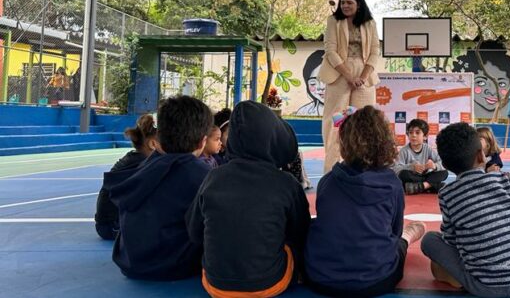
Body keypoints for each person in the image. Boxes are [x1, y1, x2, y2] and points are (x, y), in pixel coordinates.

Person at [187, 101, 311, 297]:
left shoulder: (213, 177)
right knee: (292, 245)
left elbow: (195, 231)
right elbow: (301, 231)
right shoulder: (286, 183)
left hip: (216, 285)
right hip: (270, 283)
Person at [304, 106, 426, 297]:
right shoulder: (392, 184)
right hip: (377, 279)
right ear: (384, 142)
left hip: (321, 277)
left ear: (344, 142)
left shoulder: (328, 181)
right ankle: (409, 238)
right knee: (398, 242)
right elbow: (394, 232)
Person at [422, 123, 510, 298]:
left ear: (445, 164)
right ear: (481, 155)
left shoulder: (447, 194)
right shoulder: (502, 180)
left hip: (483, 288)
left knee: (429, 240)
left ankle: (457, 277)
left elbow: (451, 241)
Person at [104, 96, 212, 280]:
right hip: (176, 267)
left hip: (131, 262)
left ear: (159, 138)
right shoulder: (203, 175)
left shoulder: (144, 168)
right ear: (203, 142)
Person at [319, 0, 381, 173]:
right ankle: (330, 170)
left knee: (364, 121)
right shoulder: (334, 21)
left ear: (358, 4)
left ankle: (364, 167)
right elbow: (330, 50)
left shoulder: (370, 23)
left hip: (365, 77)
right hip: (339, 76)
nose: (345, 5)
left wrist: (362, 77)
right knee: (336, 121)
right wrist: (349, 76)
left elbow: (374, 52)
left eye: (349, 2)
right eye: (343, 2)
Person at [95, 114, 157, 240]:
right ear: (152, 144)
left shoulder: (135, 158)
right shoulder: (143, 164)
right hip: (111, 226)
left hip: (107, 223)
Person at [393, 118, 449, 194]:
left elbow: (443, 163)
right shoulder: (404, 150)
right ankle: (431, 186)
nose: (413, 135)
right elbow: (396, 169)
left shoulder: (428, 148)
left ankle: (419, 187)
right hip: (413, 177)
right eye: (410, 132)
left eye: (417, 133)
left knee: (444, 172)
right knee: (404, 174)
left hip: (426, 176)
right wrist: (412, 167)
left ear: (425, 136)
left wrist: (434, 166)